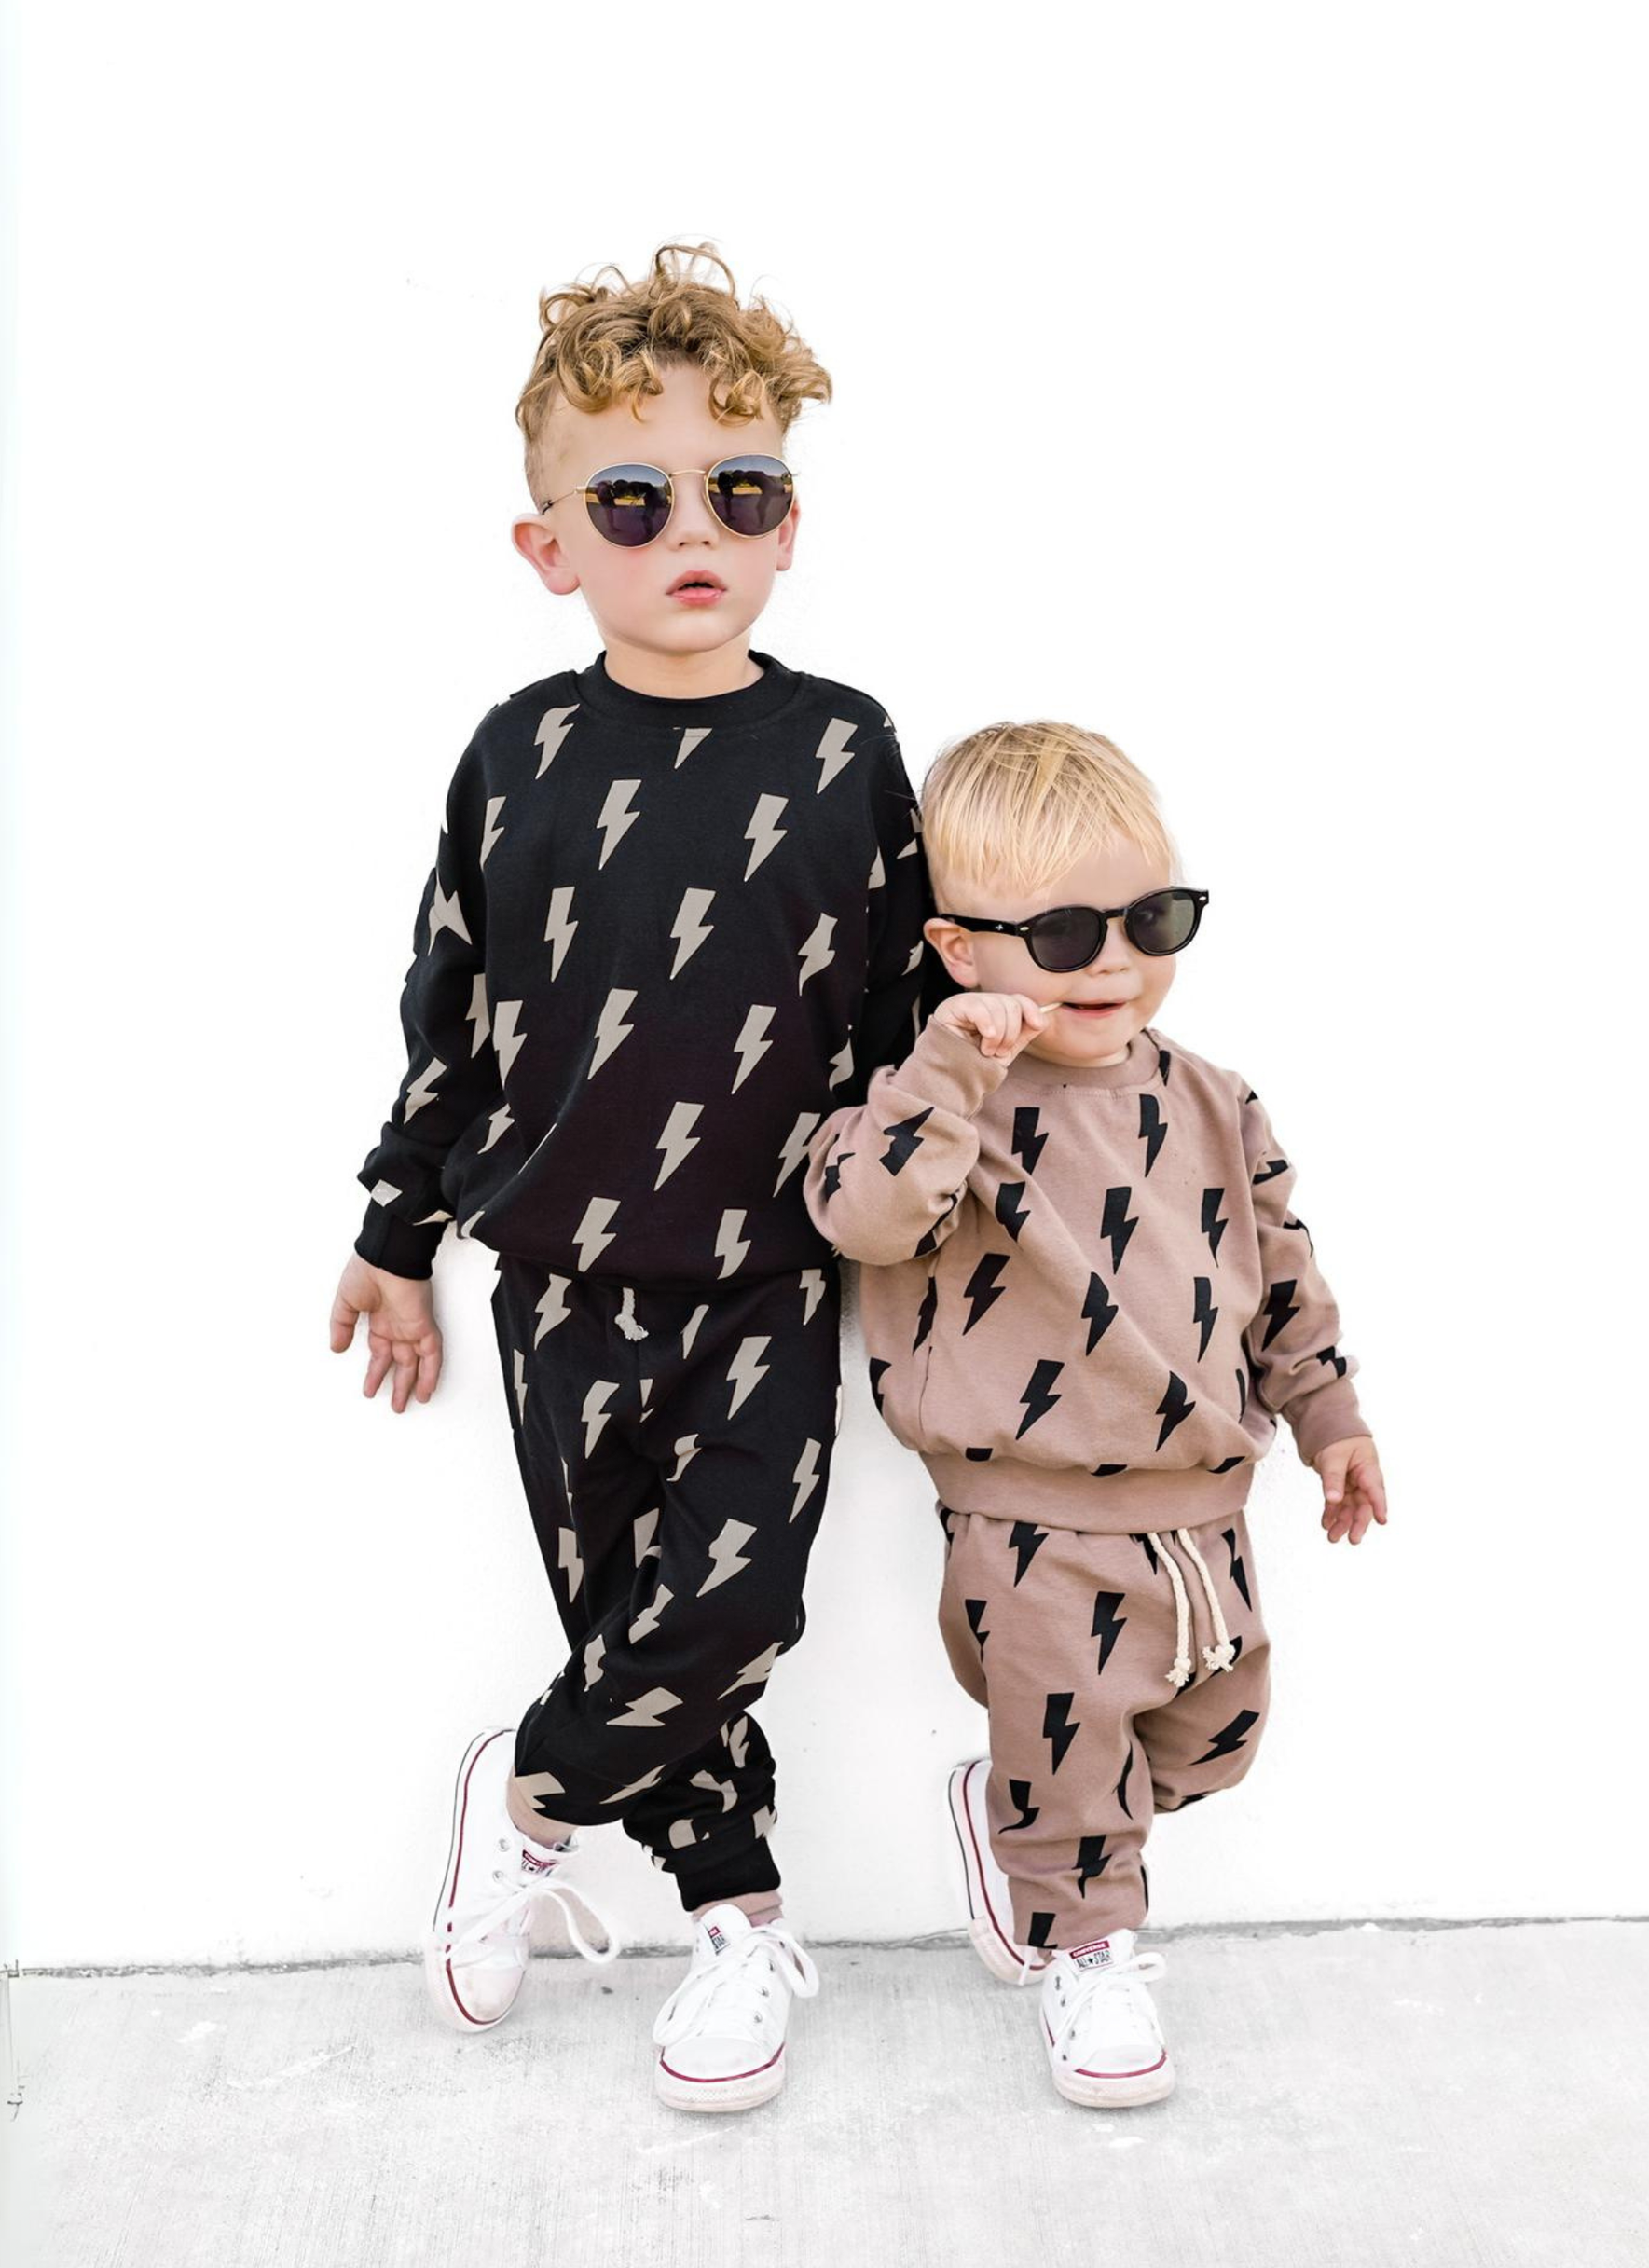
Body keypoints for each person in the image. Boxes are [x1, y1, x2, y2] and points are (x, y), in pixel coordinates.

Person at [327, 244, 931, 2112]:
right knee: (635, 1625)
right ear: (548, 546)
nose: (695, 528)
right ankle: (737, 1909)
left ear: (787, 522)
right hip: (561, 1278)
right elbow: (454, 1007)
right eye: (633, 496)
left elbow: (909, 1004)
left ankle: (524, 1789)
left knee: (732, 1606)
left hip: (770, 1269)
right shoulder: (519, 756)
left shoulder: (840, 748)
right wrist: (394, 1229)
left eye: (737, 492)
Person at [804, 719, 1388, 2107]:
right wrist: (947, 1064)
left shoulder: (1211, 1097)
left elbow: (1279, 1263)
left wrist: (1330, 1416)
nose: (1115, 958)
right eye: (1062, 933)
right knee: (1078, 1786)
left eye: (1152, 917)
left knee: (1217, 1738)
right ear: (961, 951)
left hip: (1205, 1501)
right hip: (1030, 1518)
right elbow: (865, 1220)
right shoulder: (931, 1105)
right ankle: (1083, 1941)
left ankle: (1032, 1819)